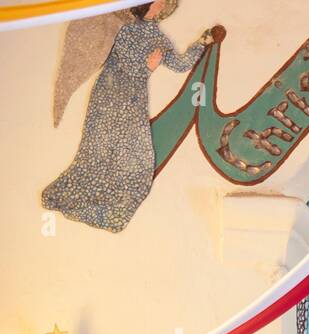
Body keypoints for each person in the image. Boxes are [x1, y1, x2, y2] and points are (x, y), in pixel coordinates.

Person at [42, 2, 212, 233]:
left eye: (165, 2)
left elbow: (180, 64)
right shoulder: (122, 25)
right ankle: (77, 197)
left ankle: (110, 206)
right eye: (157, 0)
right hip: (109, 94)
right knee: (98, 149)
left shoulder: (157, 38)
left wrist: (202, 42)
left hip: (132, 100)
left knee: (135, 153)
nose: (160, 4)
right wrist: (149, 68)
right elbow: (121, 62)